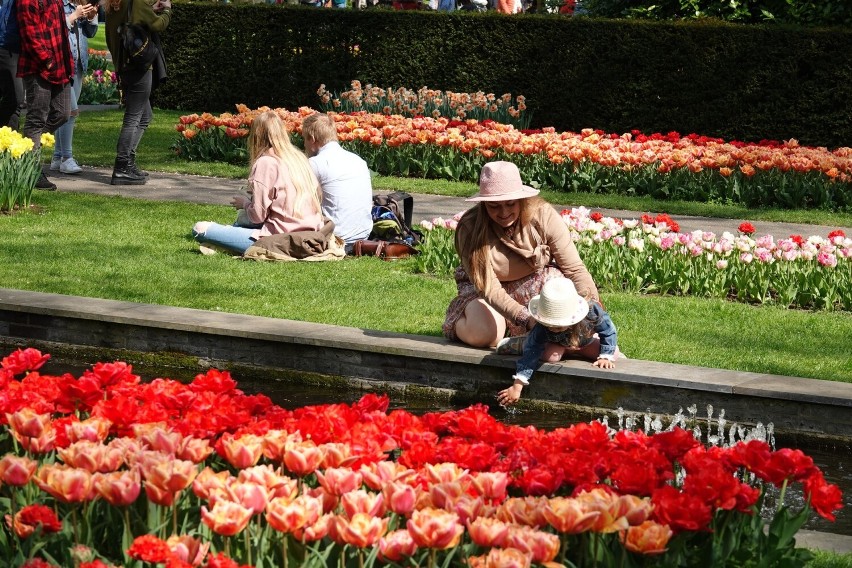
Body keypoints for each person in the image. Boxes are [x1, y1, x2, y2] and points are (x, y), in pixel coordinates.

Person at [442, 160, 599, 348]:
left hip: (534, 282)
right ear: (483, 204)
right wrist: (526, 318)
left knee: (564, 311)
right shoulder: (470, 227)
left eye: (510, 204)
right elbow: (489, 288)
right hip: (483, 291)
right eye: (494, 206)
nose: (503, 212)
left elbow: (574, 268)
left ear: (521, 199)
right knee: (486, 334)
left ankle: (518, 335)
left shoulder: (543, 216)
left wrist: (592, 307)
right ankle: (459, 321)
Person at [192, 111, 324, 256]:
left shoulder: (265, 162)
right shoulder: (299, 158)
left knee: (200, 228)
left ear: (256, 136)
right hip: (311, 236)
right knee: (237, 227)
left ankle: (226, 244)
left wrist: (245, 204)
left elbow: (257, 216)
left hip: (279, 238)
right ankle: (227, 243)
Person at [495, 277, 618, 406]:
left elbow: (608, 330)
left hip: (582, 343)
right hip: (556, 343)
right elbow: (532, 354)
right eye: (549, 325)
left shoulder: (591, 313)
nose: (553, 329)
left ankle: (571, 351)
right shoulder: (542, 328)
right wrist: (517, 386)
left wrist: (605, 356)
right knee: (551, 356)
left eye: (558, 326)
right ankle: (522, 343)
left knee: (613, 353)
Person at [104, 0, 171, 185]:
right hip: (138, 66)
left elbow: (114, 36)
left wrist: (152, 10)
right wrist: (167, 11)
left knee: (144, 116)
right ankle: (122, 166)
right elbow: (158, 24)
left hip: (124, 65)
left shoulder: (113, 5)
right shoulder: (137, 2)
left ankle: (128, 162)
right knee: (133, 117)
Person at [16, 0, 75, 190]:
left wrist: (63, 63)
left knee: (63, 112)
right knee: (36, 119)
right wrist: (47, 60)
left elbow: (61, 31)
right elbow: (30, 33)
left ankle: (26, 150)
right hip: (38, 67)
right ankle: (32, 172)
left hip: (60, 65)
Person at [301, 112, 373, 253]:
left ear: (313, 139)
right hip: (364, 235)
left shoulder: (315, 164)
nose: (304, 145)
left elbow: (299, 204)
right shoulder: (358, 161)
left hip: (336, 237)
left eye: (304, 139)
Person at [50, 0, 98, 175]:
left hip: (78, 64)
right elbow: (55, 30)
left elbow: (90, 33)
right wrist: (74, 16)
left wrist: (92, 18)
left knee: (66, 113)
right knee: (70, 111)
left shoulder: (77, 5)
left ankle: (57, 156)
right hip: (63, 64)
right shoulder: (56, 5)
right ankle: (66, 158)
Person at [0, 0, 25, 130]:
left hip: (16, 47)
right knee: (15, 99)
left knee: (14, 100)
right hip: (7, 46)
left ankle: (8, 144)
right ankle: (7, 142)